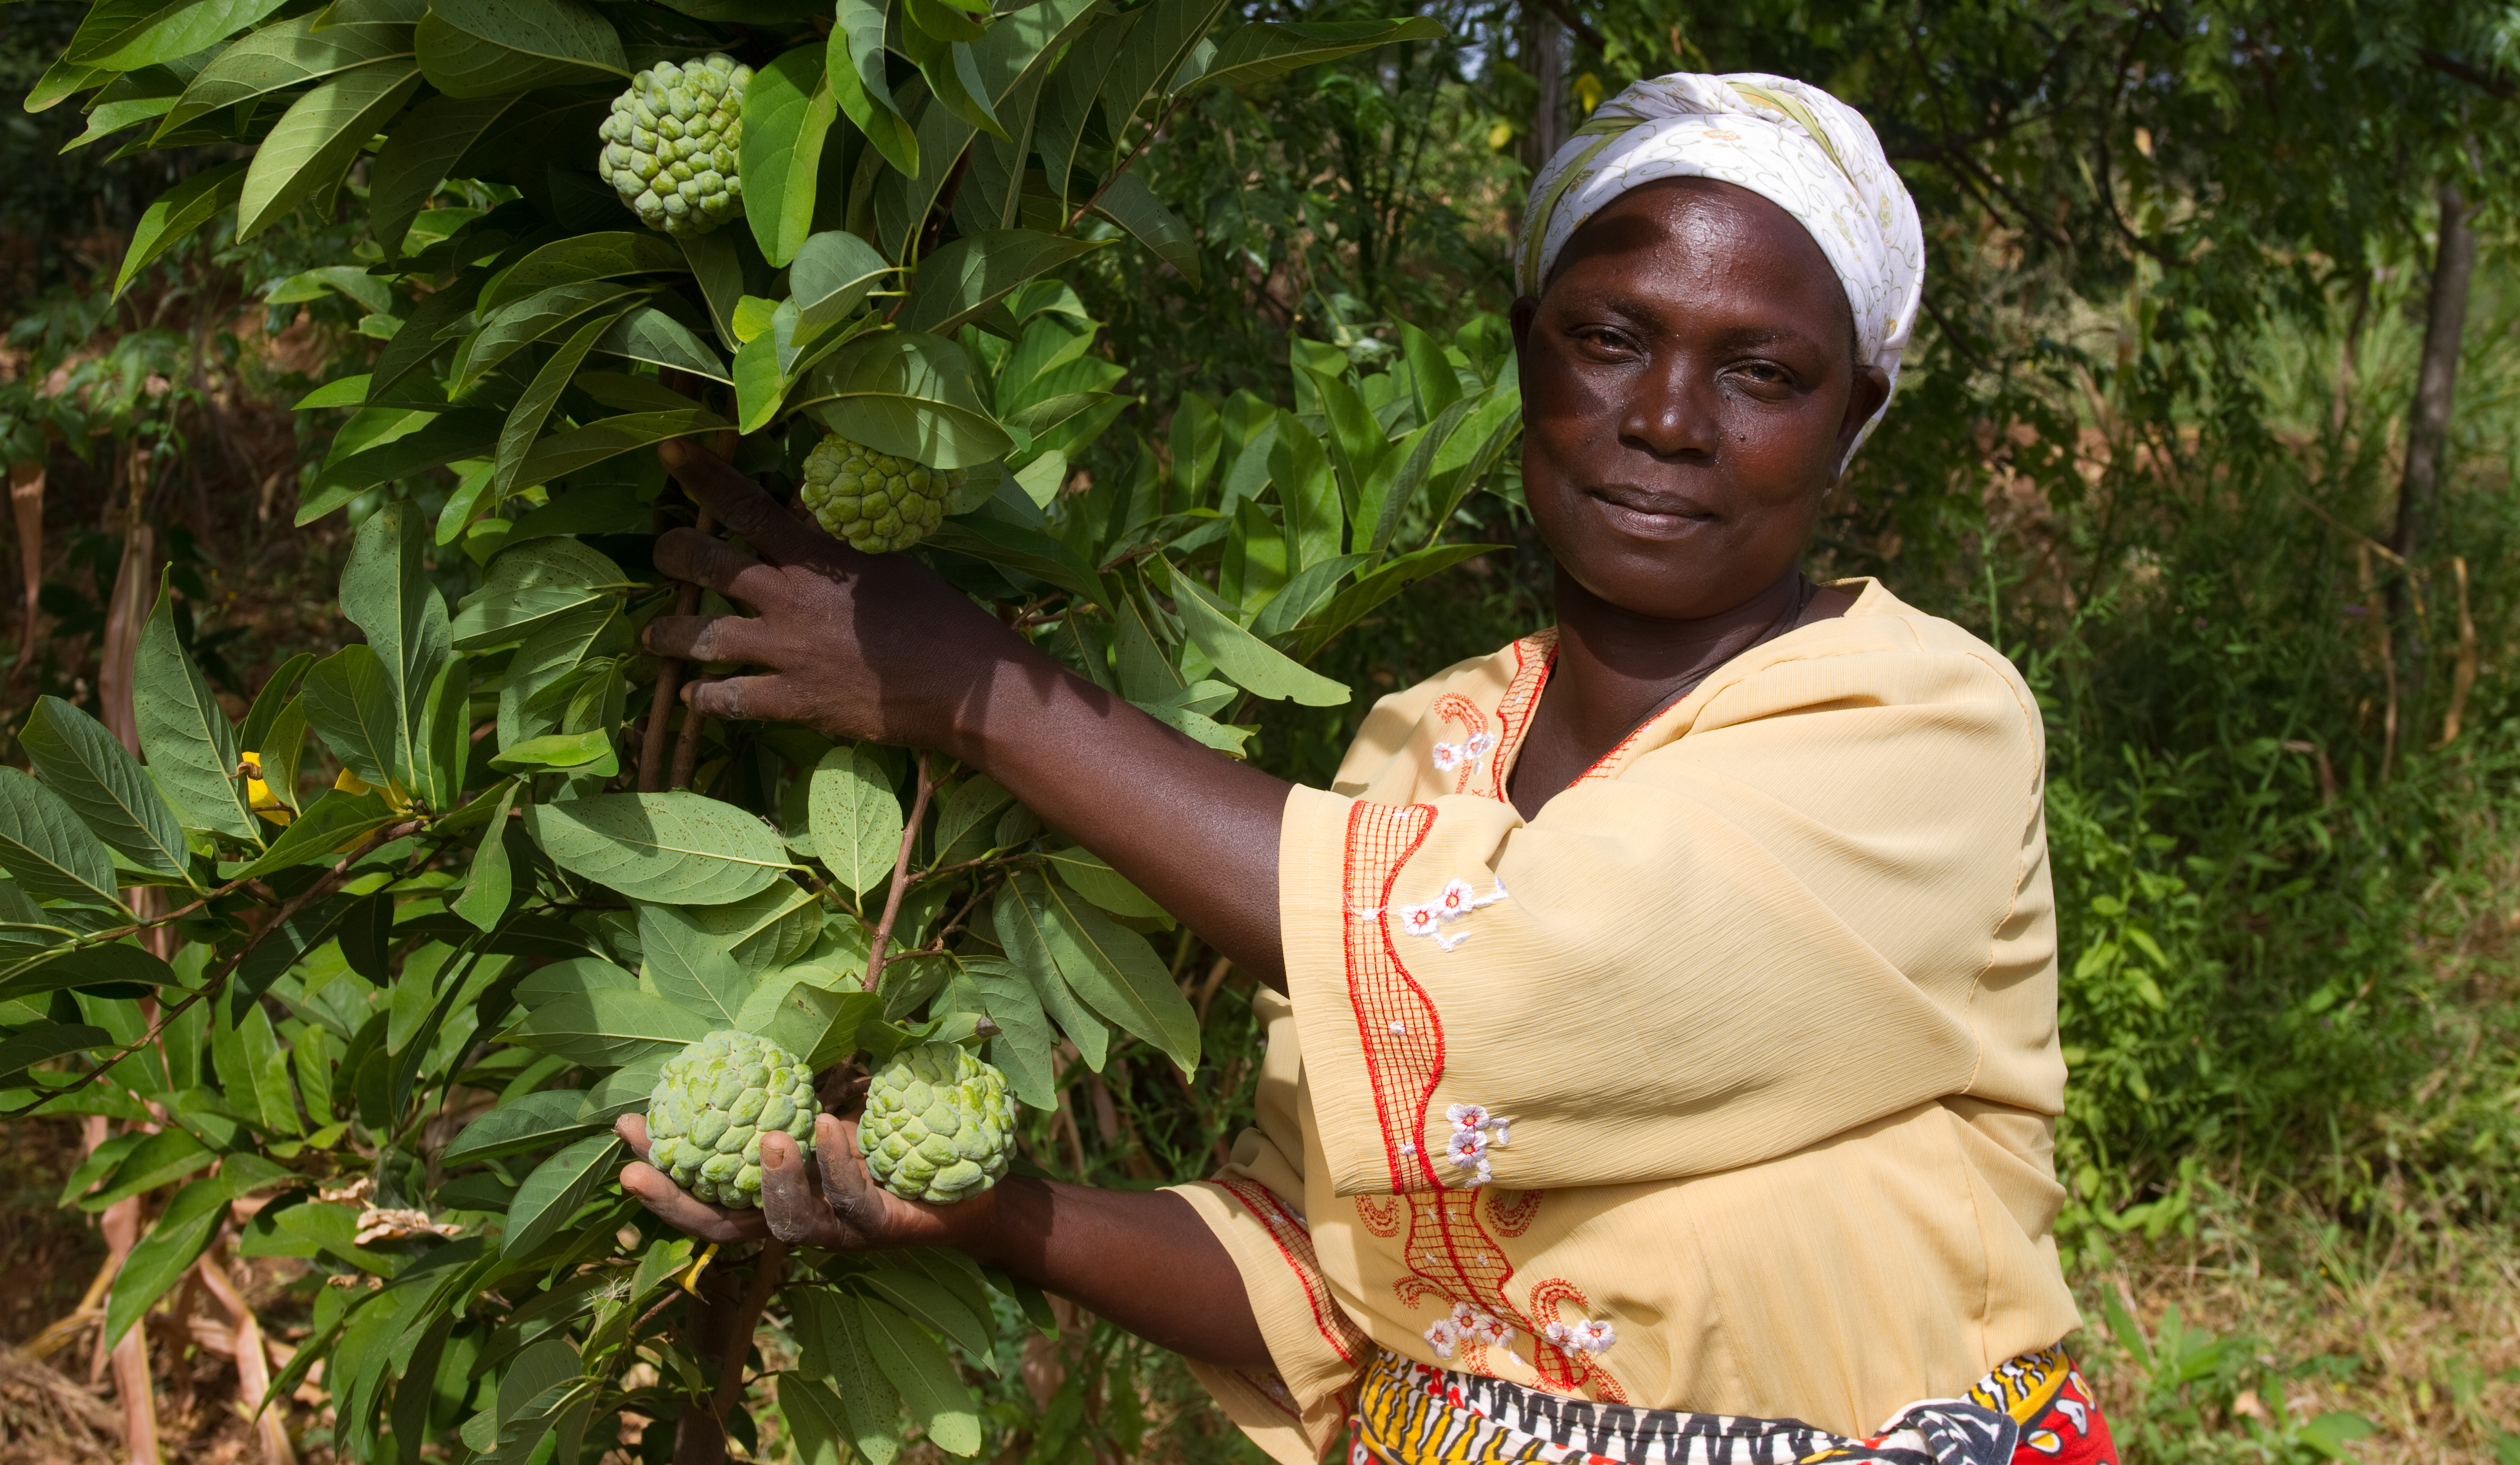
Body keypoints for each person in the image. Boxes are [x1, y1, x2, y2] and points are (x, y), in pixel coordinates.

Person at [615, 72, 2118, 1465]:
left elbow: (1537, 964)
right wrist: (978, 1206)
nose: (1665, 421)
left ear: (1853, 418)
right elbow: (1323, 1267)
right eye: (1608, 338)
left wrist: (982, 695)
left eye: (1764, 372)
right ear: (1527, 343)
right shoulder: (1424, 739)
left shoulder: (1922, 720)